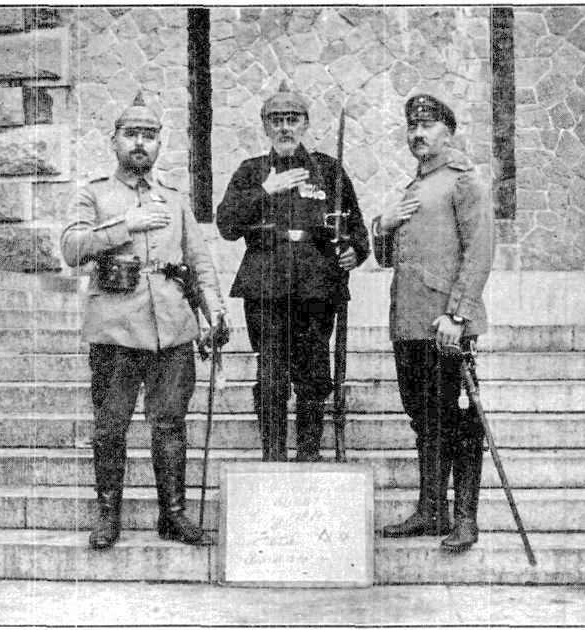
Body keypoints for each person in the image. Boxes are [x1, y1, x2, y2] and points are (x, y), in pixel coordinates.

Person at [61, 92, 227, 550]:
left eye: (149, 136)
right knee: (111, 425)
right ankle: (108, 515)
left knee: (171, 424)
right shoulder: (93, 193)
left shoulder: (174, 199)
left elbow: (199, 260)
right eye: (131, 135)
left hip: (172, 327)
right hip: (115, 329)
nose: (140, 144)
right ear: (114, 141)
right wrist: (127, 224)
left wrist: (214, 309)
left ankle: (172, 516)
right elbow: (72, 249)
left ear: (159, 145)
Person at [216, 81, 370, 463]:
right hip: (265, 284)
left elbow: (357, 230)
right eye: (276, 120)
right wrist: (265, 191)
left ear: (305, 124)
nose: (285, 127)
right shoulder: (252, 171)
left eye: (292, 119)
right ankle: (272, 455)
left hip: (317, 284)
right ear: (265, 126)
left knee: (315, 371)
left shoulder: (328, 170)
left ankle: (309, 454)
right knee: (270, 373)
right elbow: (226, 226)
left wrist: (355, 251)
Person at [372, 94, 494, 551]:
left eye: (428, 125)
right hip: (409, 325)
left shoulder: (464, 181)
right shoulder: (415, 187)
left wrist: (458, 314)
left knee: (458, 421)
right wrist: (381, 227)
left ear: (449, 131)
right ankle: (430, 510)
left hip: (446, 325)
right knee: (424, 418)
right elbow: (390, 259)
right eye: (411, 127)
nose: (418, 134)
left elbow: (479, 251)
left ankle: (464, 518)